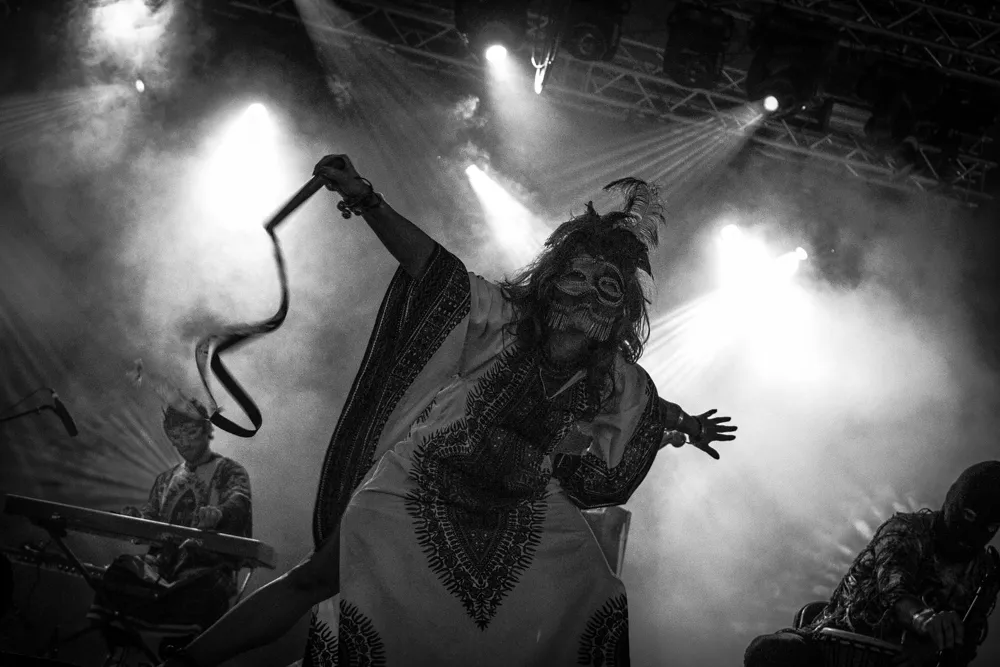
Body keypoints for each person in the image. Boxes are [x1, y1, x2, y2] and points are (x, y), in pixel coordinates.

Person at [162, 154, 737, 667]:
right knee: (317, 579)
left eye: (605, 286)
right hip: (422, 484)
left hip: (520, 506)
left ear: (621, 309)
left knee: (598, 594)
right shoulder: (503, 318)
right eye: (577, 276)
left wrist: (686, 424)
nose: (587, 291)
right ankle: (186, 662)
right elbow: (432, 265)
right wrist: (366, 199)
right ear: (551, 281)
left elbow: (650, 406)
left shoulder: (612, 374)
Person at [744, 461, 1000, 667]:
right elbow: (894, 590)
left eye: (991, 526)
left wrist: (933, 649)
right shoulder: (904, 531)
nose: (973, 533)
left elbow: (968, 640)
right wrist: (924, 620)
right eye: (968, 515)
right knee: (770, 652)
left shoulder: (984, 572)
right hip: (831, 645)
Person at [90, 379, 252, 635]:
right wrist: (135, 518)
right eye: (176, 436)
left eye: (190, 432)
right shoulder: (165, 479)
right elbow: (152, 517)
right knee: (122, 569)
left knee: (201, 590)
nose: (183, 442)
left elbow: (238, 501)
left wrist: (219, 513)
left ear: (206, 429)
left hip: (206, 569)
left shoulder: (229, 470)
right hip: (162, 567)